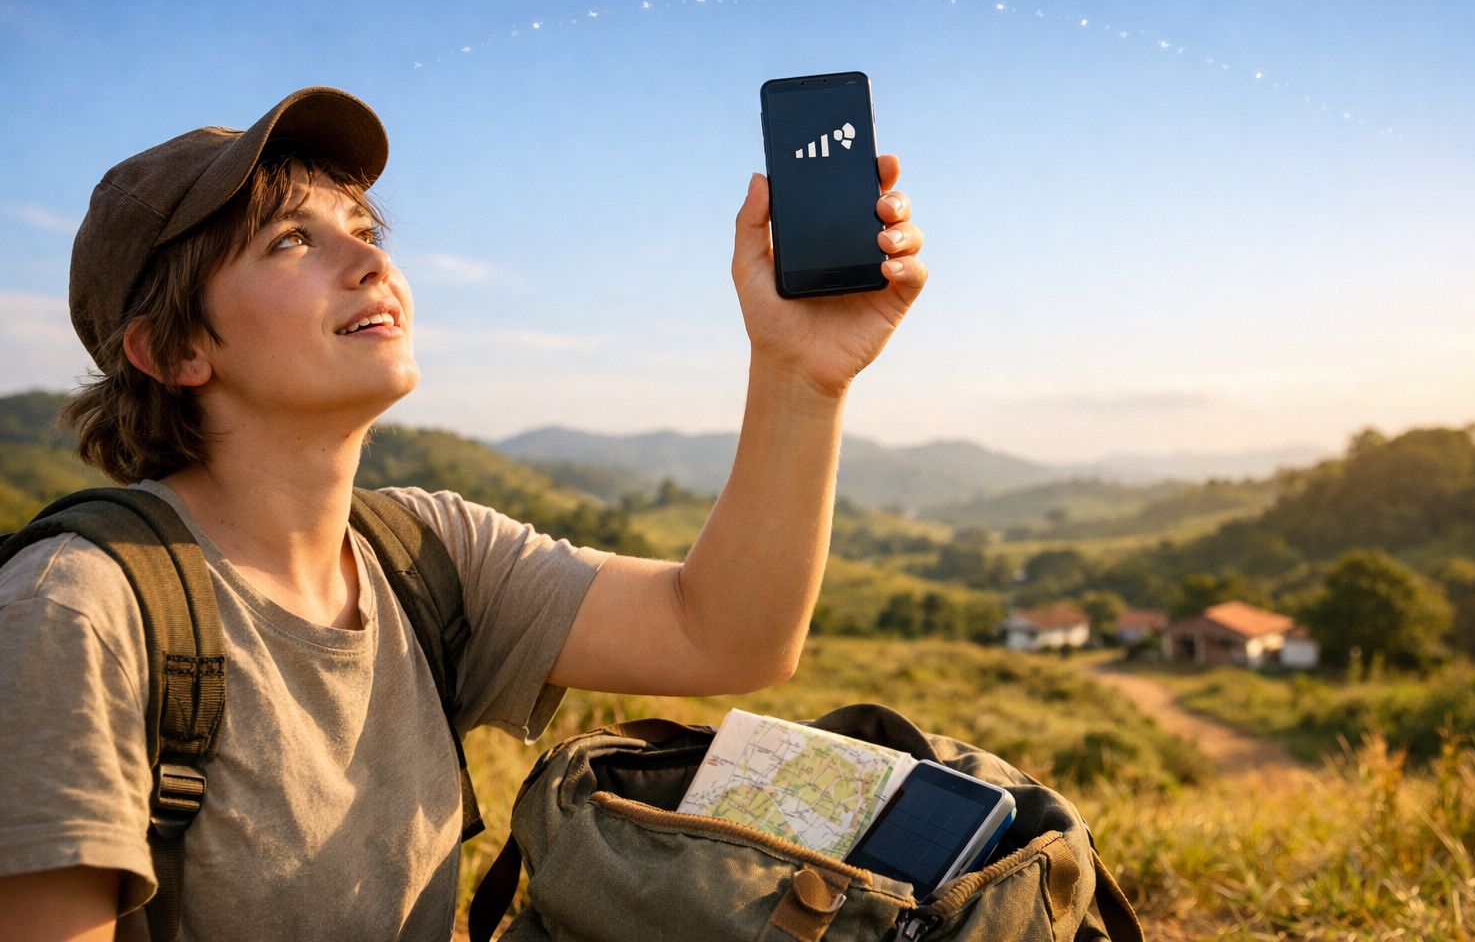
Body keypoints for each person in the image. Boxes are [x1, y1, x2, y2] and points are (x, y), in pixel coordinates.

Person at [0, 86, 927, 940]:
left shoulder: (426, 553)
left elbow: (726, 635)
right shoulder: (76, 612)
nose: (371, 260)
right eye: (291, 240)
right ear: (171, 349)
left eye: (363, 227)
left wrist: (801, 375)